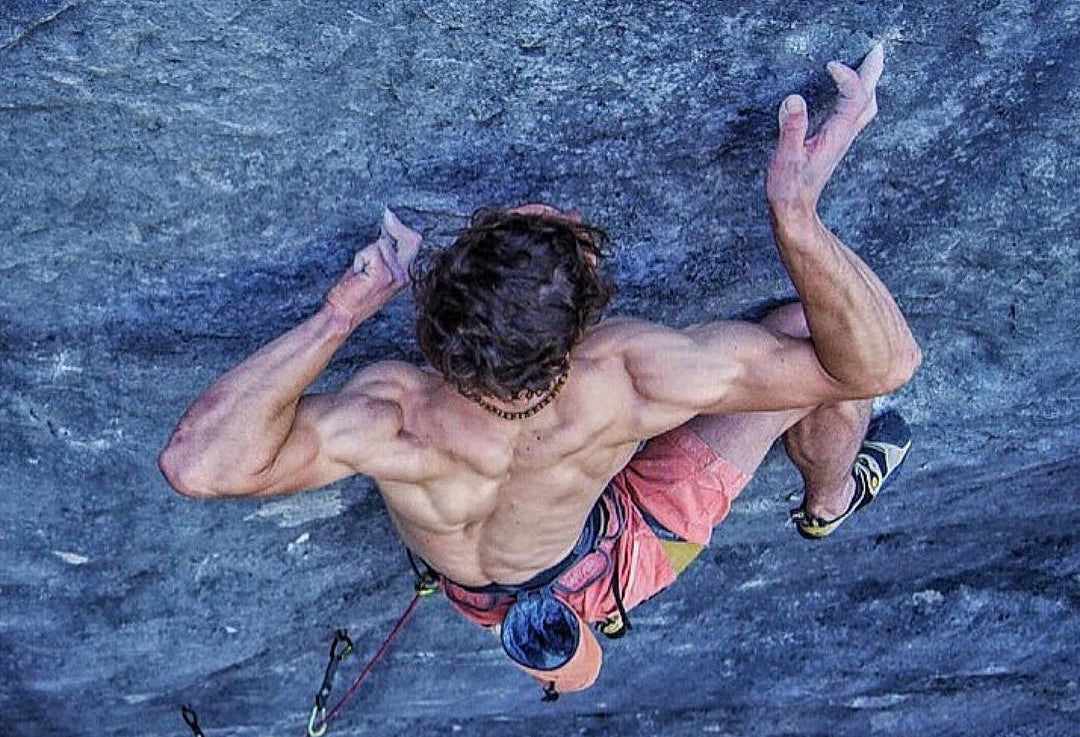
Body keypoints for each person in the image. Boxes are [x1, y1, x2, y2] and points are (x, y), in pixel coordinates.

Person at [159, 44, 920, 696]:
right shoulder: (624, 378)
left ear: (435, 306)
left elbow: (199, 463)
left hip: (480, 590)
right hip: (614, 555)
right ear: (578, 336)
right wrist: (796, 213)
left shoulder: (391, 418)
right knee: (799, 330)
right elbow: (878, 363)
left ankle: (820, 500)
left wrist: (340, 313)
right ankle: (830, 499)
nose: (546, 207)